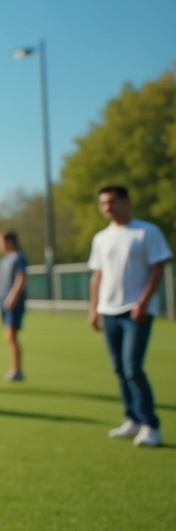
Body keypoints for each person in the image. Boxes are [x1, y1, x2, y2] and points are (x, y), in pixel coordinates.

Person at [88, 184, 172, 448]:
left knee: (133, 367)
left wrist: (143, 302)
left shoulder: (146, 232)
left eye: (112, 201)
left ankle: (150, 425)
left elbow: (157, 268)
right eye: (103, 203)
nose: (107, 207)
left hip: (136, 312)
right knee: (119, 369)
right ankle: (132, 419)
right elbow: (97, 275)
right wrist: (94, 308)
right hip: (109, 311)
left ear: (126, 201)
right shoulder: (101, 238)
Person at [0, 230, 28, 382]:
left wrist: (12, 297)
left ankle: (16, 370)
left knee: (11, 336)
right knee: (8, 336)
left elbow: (21, 278)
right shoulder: (4, 260)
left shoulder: (18, 258)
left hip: (11, 302)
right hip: (2, 301)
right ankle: (14, 368)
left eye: (0, 242)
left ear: (9, 241)